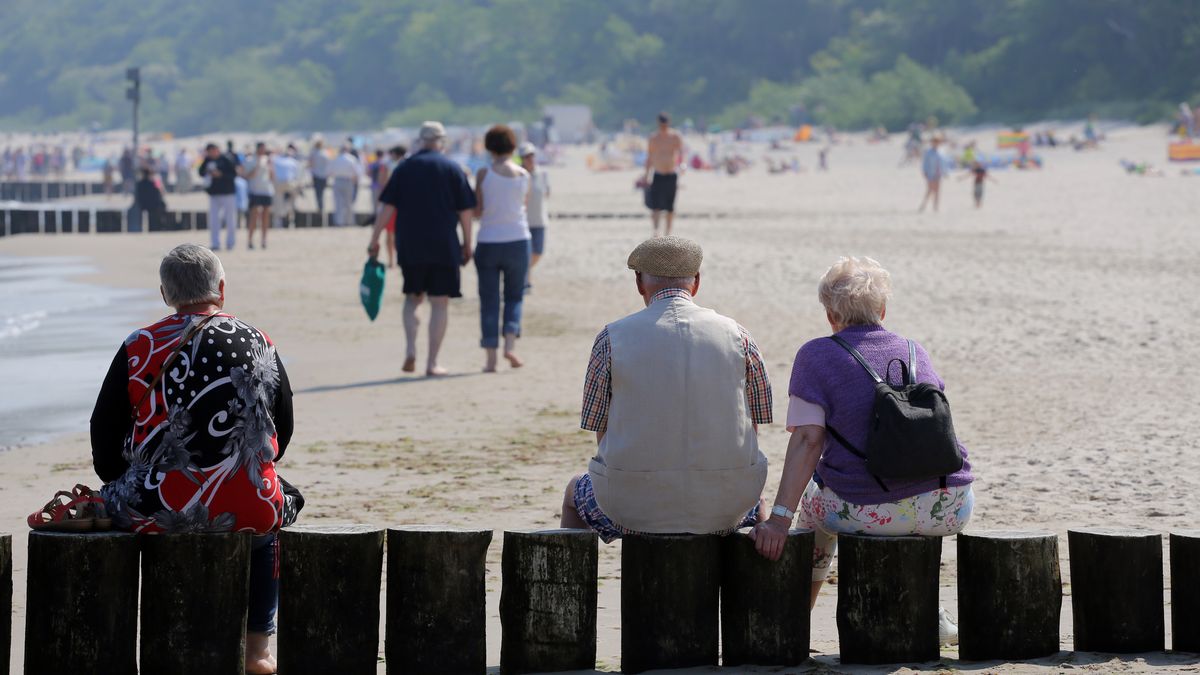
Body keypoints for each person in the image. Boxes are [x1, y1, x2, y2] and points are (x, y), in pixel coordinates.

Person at [90, 244, 297, 674]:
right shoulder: (260, 340)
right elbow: (284, 425)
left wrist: (121, 479)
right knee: (272, 513)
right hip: (247, 502)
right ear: (221, 289)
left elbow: (103, 431)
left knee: (120, 497)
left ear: (166, 294)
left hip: (156, 503)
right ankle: (258, 649)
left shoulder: (139, 345)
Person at [750, 256, 974, 643]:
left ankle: (795, 615)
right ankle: (928, 612)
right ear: (883, 310)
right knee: (910, 500)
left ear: (830, 314)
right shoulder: (915, 350)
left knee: (814, 507)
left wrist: (779, 520)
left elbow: (808, 440)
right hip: (951, 505)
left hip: (869, 510)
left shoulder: (817, 355)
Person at [560, 236, 772, 542]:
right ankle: (757, 582)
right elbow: (755, 423)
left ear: (639, 283)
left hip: (631, 508)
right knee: (757, 502)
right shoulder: (738, 335)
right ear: (696, 282)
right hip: (727, 506)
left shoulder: (611, 338)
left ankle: (570, 586)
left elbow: (599, 428)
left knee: (573, 491)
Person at [367, 122, 476, 376]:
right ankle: (432, 362)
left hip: (411, 244)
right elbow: (465, 211)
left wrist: (374, 239)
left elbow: (387, 208)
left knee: (413, 298)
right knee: (439, 303)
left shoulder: (405, 167)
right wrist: (468, 243)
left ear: (421, 140)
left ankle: (410, 350)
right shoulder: (453, 168)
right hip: (443, 244)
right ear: (442, 141)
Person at [474, 125, 532, 372]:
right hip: (518, 239)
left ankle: (490, 359)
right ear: (512, 146)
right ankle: (510, 345)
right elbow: (523, 206)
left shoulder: (484, 174)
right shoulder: (523, 175)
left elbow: (478, 211)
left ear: (489, 147)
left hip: (488, 239)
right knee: (514, 295)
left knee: (489, 299)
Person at [643, 112, 684, 236]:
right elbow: (650, 157)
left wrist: (683, 165)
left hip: (671, 174)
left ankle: (668, 231)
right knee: (655, 205)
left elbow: (682, 153)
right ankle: (656, 230)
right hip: (658, 174)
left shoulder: (675, 136)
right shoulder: (653, 138)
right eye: (662, 125)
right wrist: (646, 174)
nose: (663, 128)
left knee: (670, 206)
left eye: (665, 125)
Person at [198, 143, 240, 251]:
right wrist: (209, 172)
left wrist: (221, 175)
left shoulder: (226, 159)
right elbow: (201, 172)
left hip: (228, 193)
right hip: (214, 193)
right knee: (214, 220)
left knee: (230, 219)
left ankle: (230, 243)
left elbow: (234, 174)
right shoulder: (207, 160)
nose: (211, 153)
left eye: (213, 151)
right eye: (209, 152)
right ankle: (215, 242)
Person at [519, 142, 549, 287]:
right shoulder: (518, 175)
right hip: (523, 221)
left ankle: (522, 272)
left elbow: (547, 192)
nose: (529, 159)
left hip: (539, 220)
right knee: (526, 253)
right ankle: (526, 280)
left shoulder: (542, 173)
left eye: (531, 155)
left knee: (538, 252)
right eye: (526, 156)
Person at [379, 145, 407, 268]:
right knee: (403, 234)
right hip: (405, 203)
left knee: (389, 234)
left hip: (391, 203)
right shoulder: (409, 165)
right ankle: (401, 258)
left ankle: (391, 261)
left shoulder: (387, 166)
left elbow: (382, 183)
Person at [243, 143, 274, 250]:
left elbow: (271, 176)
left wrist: (270, 166)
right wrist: (256, 166)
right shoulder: (250, 160)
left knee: (266, 216)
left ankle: (264, 240)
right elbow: (246, 175)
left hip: (266, 190)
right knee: (254, 216)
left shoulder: (267, 159)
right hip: (255, 190)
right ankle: (250, 240)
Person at [329, 145, 361, 227]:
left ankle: (339, 222)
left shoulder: (336, 158)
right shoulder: (352, 159)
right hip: (348, 181)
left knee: (338, 203)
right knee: (348, 203)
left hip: (338, 180)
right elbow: (356, 172)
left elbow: (331, 171)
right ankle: (349, 221)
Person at [273, 145, 301, 229]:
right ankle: (291, 221)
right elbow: (297, 176)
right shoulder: (294, 162)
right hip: (290, 183)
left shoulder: (277, 160)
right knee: (292, 203)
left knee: (278, 203)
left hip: (279, 184)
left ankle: (278, 223)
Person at [918, 136, 945, 213]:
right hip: (930, 173)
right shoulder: (928, 152)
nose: (936, 143)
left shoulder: (941, 151)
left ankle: (935, 207)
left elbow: (943, 163)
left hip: (938, 173)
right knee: (930, 190)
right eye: (934, 142)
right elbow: (925, 163)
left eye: (937, 142)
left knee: (937, 190)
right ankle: (924, 205)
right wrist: (924, 172)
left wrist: (944, 172)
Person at [308, 139, 330, 217]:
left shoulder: (313, 153)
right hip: (324, 175)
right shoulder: (325, 153)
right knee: (322, 193)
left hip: (316, 175)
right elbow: (328, 165)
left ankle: (320, 207)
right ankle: (321, 207)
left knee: (318, 193)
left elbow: (311, 164)